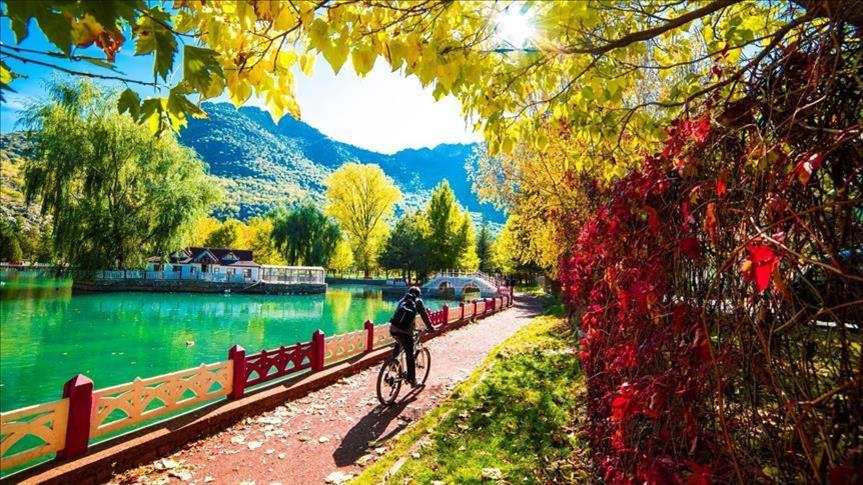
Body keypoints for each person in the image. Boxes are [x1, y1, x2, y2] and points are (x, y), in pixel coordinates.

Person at [389, 286, 435, 386]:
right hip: (405, 332)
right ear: (418, 295)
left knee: (398, 343)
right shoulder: (418, 301)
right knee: (409, 354)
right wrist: (431, 328)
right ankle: (412, 380)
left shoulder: (402, 300)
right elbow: (424, 315)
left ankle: (393, 365)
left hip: (393, 329)